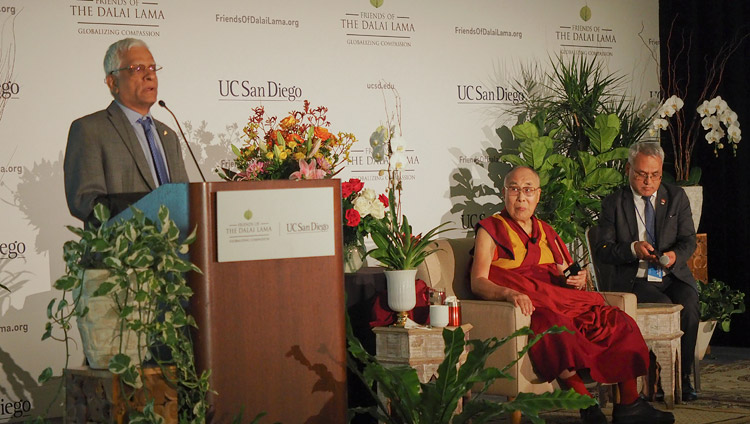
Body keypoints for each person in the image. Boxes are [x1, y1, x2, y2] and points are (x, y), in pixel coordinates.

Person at [471, 166, 674, 424]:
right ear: (504, 193)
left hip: (562, 300)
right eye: (514, 190)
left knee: (618, 320)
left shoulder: (547, 232)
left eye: (528, 190)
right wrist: (509, 293)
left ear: (538, 195)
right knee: (553, 327)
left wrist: (578, 280)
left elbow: (569, 275)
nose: (521, 197)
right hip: (537, 306)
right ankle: (586, 405)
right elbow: (478, 281)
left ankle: (630, 405)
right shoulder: (490, 230)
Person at [595, 141, 699, 402]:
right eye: (641, 174)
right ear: (629, 169)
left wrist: (674, 256)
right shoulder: (614, 203)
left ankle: (681, 377)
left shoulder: (675, 197)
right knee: (662, 306)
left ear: (661, 173)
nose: (647, 181)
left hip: (670, 274)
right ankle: (651, 381)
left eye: (654, 175)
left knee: (688, 303)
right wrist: (633, 249)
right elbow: (603, 249)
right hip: (635, 279)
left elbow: (689, 240)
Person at [64, 38, 189, 224]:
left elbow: (185, 199)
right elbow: (84, 201)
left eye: (153, 68)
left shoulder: (169, 136)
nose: (149, 75)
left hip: (174, 251)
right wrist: (148, 215)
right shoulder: (90, 130)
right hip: (122, 250)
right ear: (113, 82)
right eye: (137, 69)